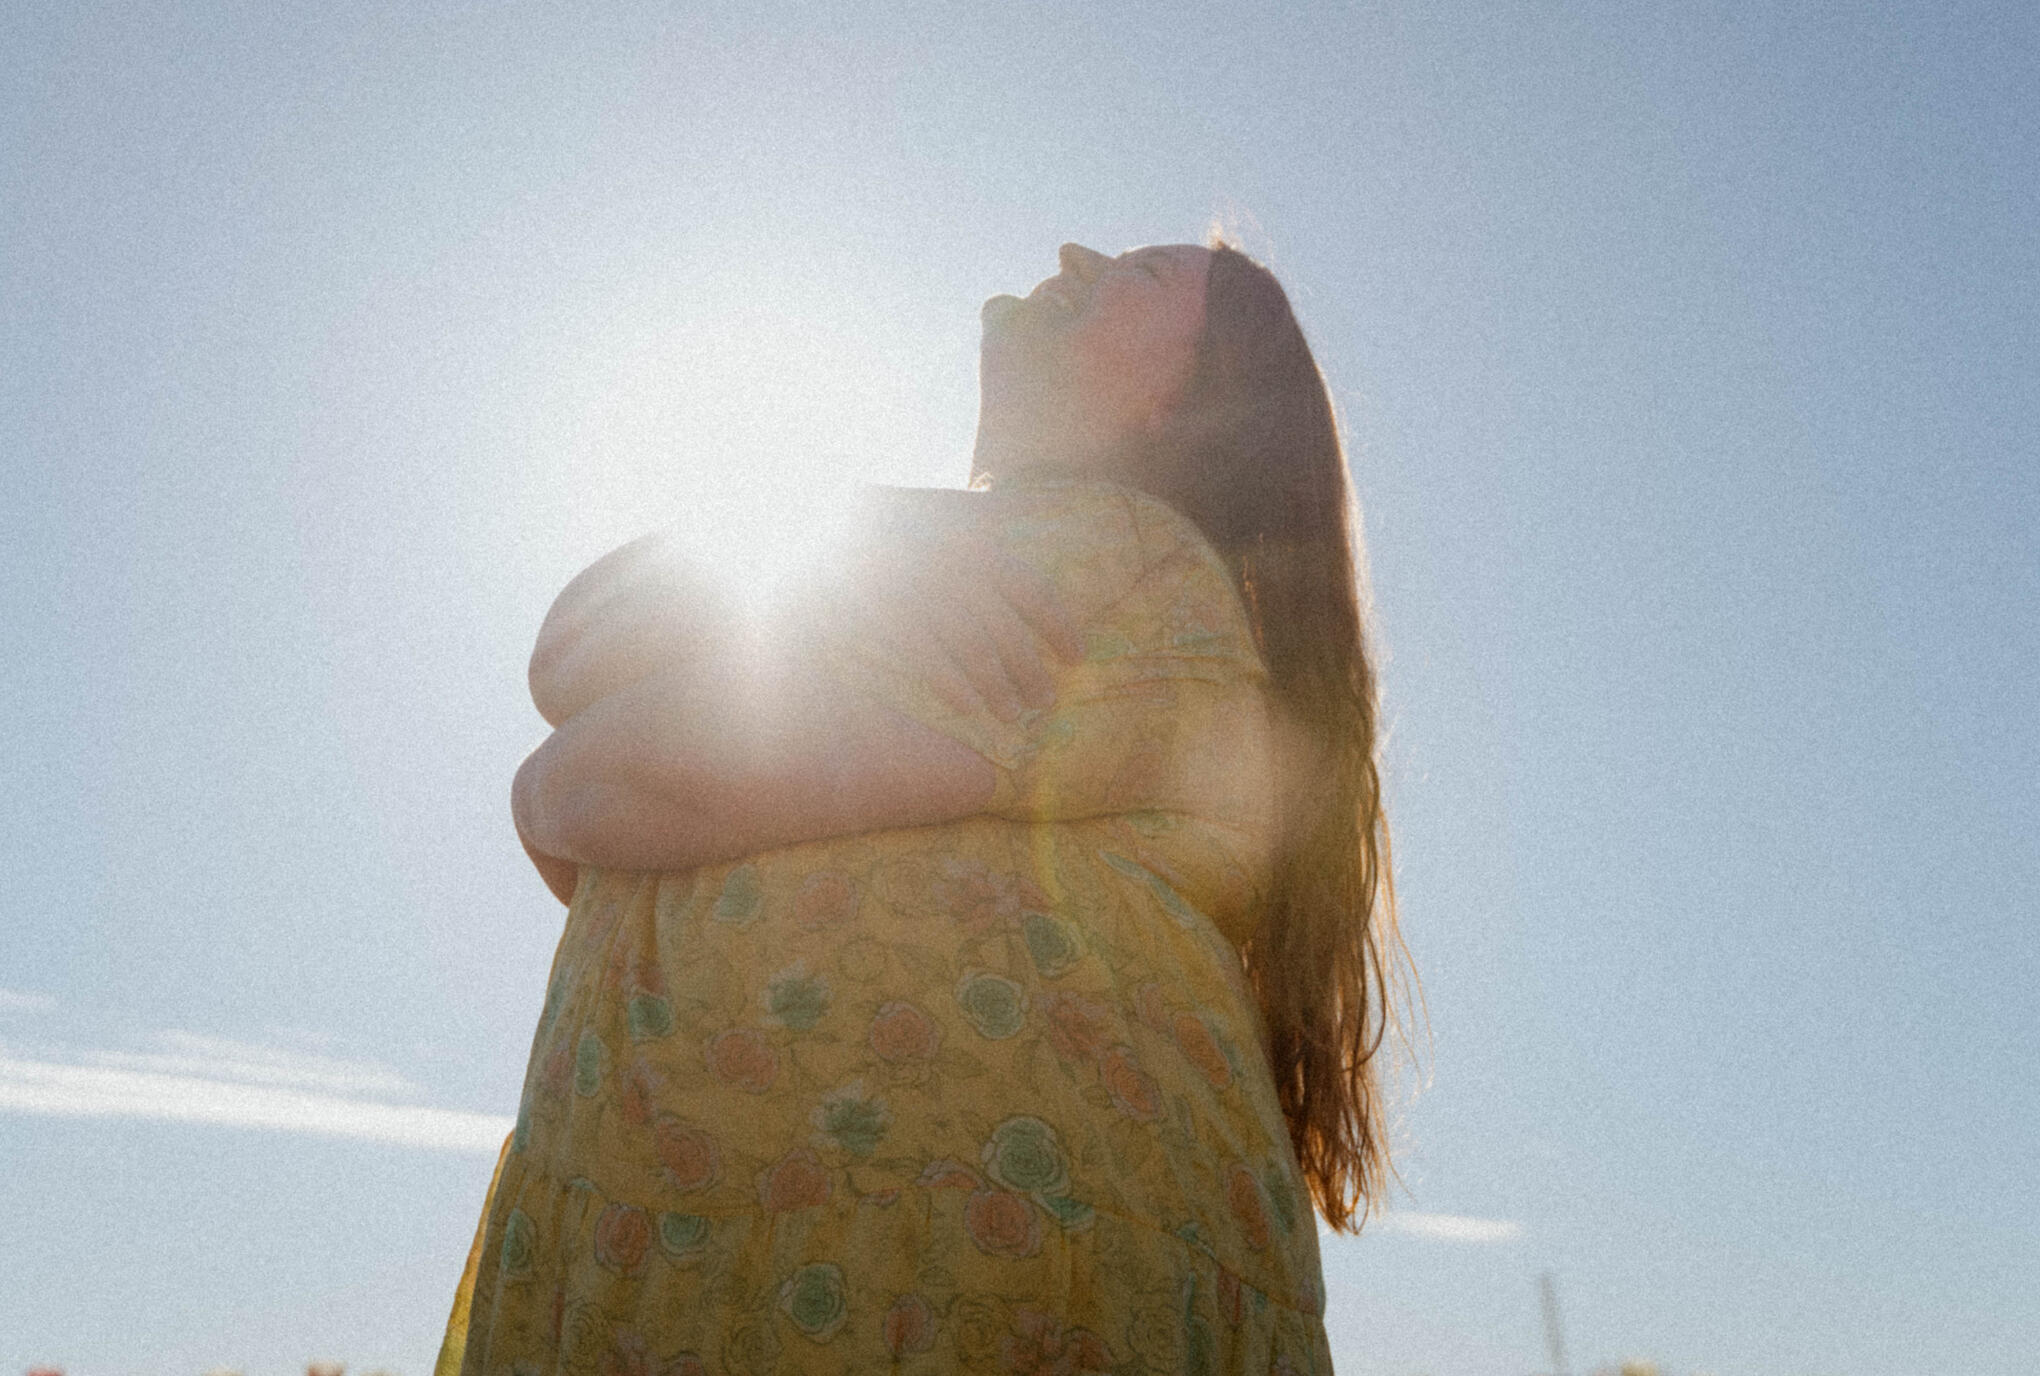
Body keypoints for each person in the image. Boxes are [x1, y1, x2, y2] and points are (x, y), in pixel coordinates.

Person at [438, 240, 1408, 1375]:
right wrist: (879, 541)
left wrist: (543, 786)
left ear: (1179, 403)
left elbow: (626, 769)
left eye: (1144, 274)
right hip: (803, 1251)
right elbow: (577, 646)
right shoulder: (975, 557)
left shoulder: (1120, 558)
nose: (1076, 253)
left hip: (882, 1274)